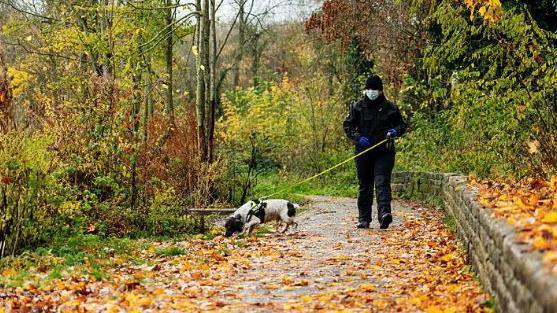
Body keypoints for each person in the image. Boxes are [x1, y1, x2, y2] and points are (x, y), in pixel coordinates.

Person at [343, 74, 407, 229]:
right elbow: (348, 126)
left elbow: (402, 126)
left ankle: (384, 214)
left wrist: (395, 131)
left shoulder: (390, 108)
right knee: (365, 185)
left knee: (381, 182)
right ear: (365, 90)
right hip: (363, 152)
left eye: (375, 89)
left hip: (384, 152)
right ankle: (364, 218)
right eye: (369, 89)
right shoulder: (357, 107)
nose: (372, 92)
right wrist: (358, 138)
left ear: (380, 91)